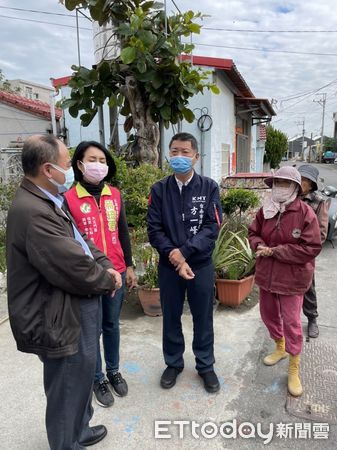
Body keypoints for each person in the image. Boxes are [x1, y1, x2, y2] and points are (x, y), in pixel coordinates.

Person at [6, 135, 122, 449]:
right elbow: (73, 268)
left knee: (81, 374)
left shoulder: (48, 198)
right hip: (56, 314)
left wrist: (104, 262)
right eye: (67, 163)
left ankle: (79, 430)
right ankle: (65, 443)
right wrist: (108, 280)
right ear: (47, 168)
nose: (71, 169)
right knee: (67, 385)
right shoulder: (34, 212)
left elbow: (81, 239)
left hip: (70, 306)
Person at [147, 132, 222, 393]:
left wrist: (185, 253)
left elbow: (212, 226)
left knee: (203, 317)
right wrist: (174, 257)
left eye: (185, 152)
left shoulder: (209, 187)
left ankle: (205, 365)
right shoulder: (159, 189)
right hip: (169, 267)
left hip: (200, 265)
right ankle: (173, 363)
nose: (179, 157)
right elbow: (154, 229)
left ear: (196, 156)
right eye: (174, 151)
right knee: (171, 316)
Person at [64, 141, 137, 408]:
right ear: (80, 164)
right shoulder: (68, 199)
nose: (99, 165)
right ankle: (97, 378)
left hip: (116, 271)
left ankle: (114, 371)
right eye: (92, 159)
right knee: (90, 329)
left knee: (111, 325)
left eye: (103, 160)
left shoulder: (114, 195)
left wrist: (128, 266)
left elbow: (123, 233)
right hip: (88, 275)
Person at [248, 166, 322, 397]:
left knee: (291, 321)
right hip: (267, 276)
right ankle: (279, 347)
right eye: (277, 182)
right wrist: (259, 245)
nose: (280, 187)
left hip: (292, 279)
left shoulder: (305, 213)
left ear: (296, 188)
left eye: (285, 183)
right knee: (268, 315)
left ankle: (293, 366)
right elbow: (253, 233)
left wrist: (277, 251)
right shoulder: (266, 210)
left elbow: (312, 247)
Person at [298, 165, 329, 338]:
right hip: (287, 251)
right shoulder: (290, 196)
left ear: (312, 184)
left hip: (305, 253)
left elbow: (321, 232)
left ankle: (312, 319)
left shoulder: (318, 200)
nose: (302, 183)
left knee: (308, 286)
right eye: (300, 178)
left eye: (306, 180)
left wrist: (306, 251)